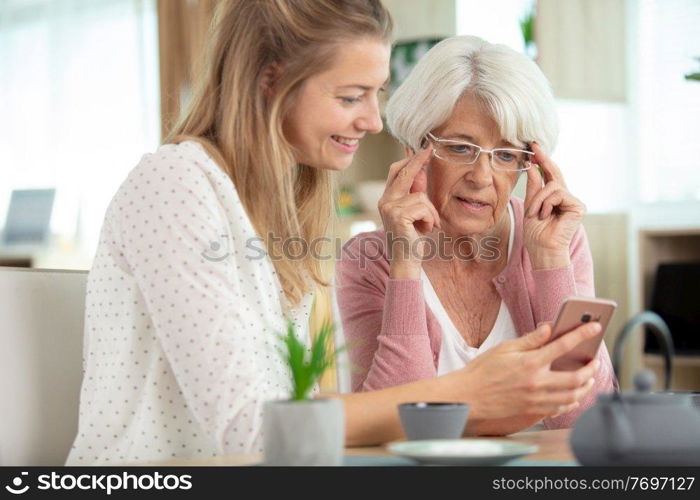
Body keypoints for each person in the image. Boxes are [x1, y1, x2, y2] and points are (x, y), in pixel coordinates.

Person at [67, 3, 603, 465]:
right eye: (351, 97)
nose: (374, 122)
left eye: (377, 94)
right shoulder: (176, 184)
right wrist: (469, 391)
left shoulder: (281, 212)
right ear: (269, 81)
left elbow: (291, 419)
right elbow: (250, 428)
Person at [336, 35, 616, 432]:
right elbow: (395, 425)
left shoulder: (558, 238)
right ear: (412, 149)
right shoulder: (367, 259)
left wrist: (551, 262)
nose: (482, 177)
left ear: (532, 165)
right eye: (460, 148)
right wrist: (405, 266)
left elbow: (585, 419)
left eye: (505, 156)